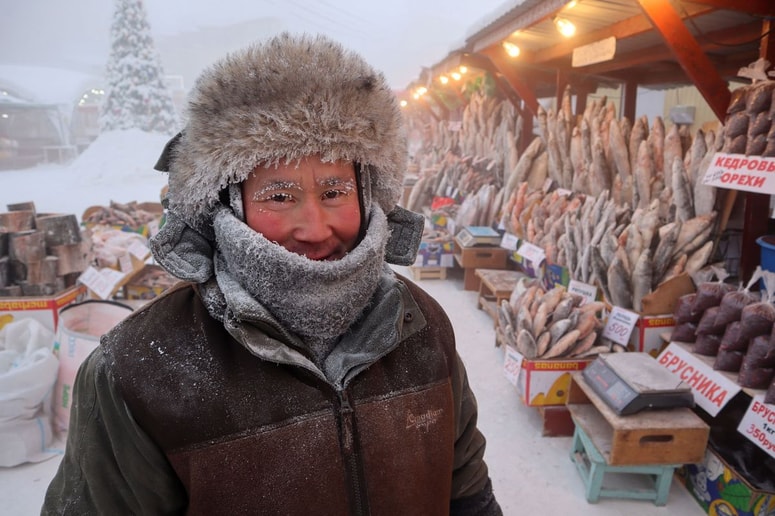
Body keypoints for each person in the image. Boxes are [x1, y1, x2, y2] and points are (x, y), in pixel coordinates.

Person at [42, 33, 502, 515]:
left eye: (334, 191)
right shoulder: (138, 371)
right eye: (279, 197)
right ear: (225, 203)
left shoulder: (419, 326)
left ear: (368, 196)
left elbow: (466, 491)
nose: (314, 228)